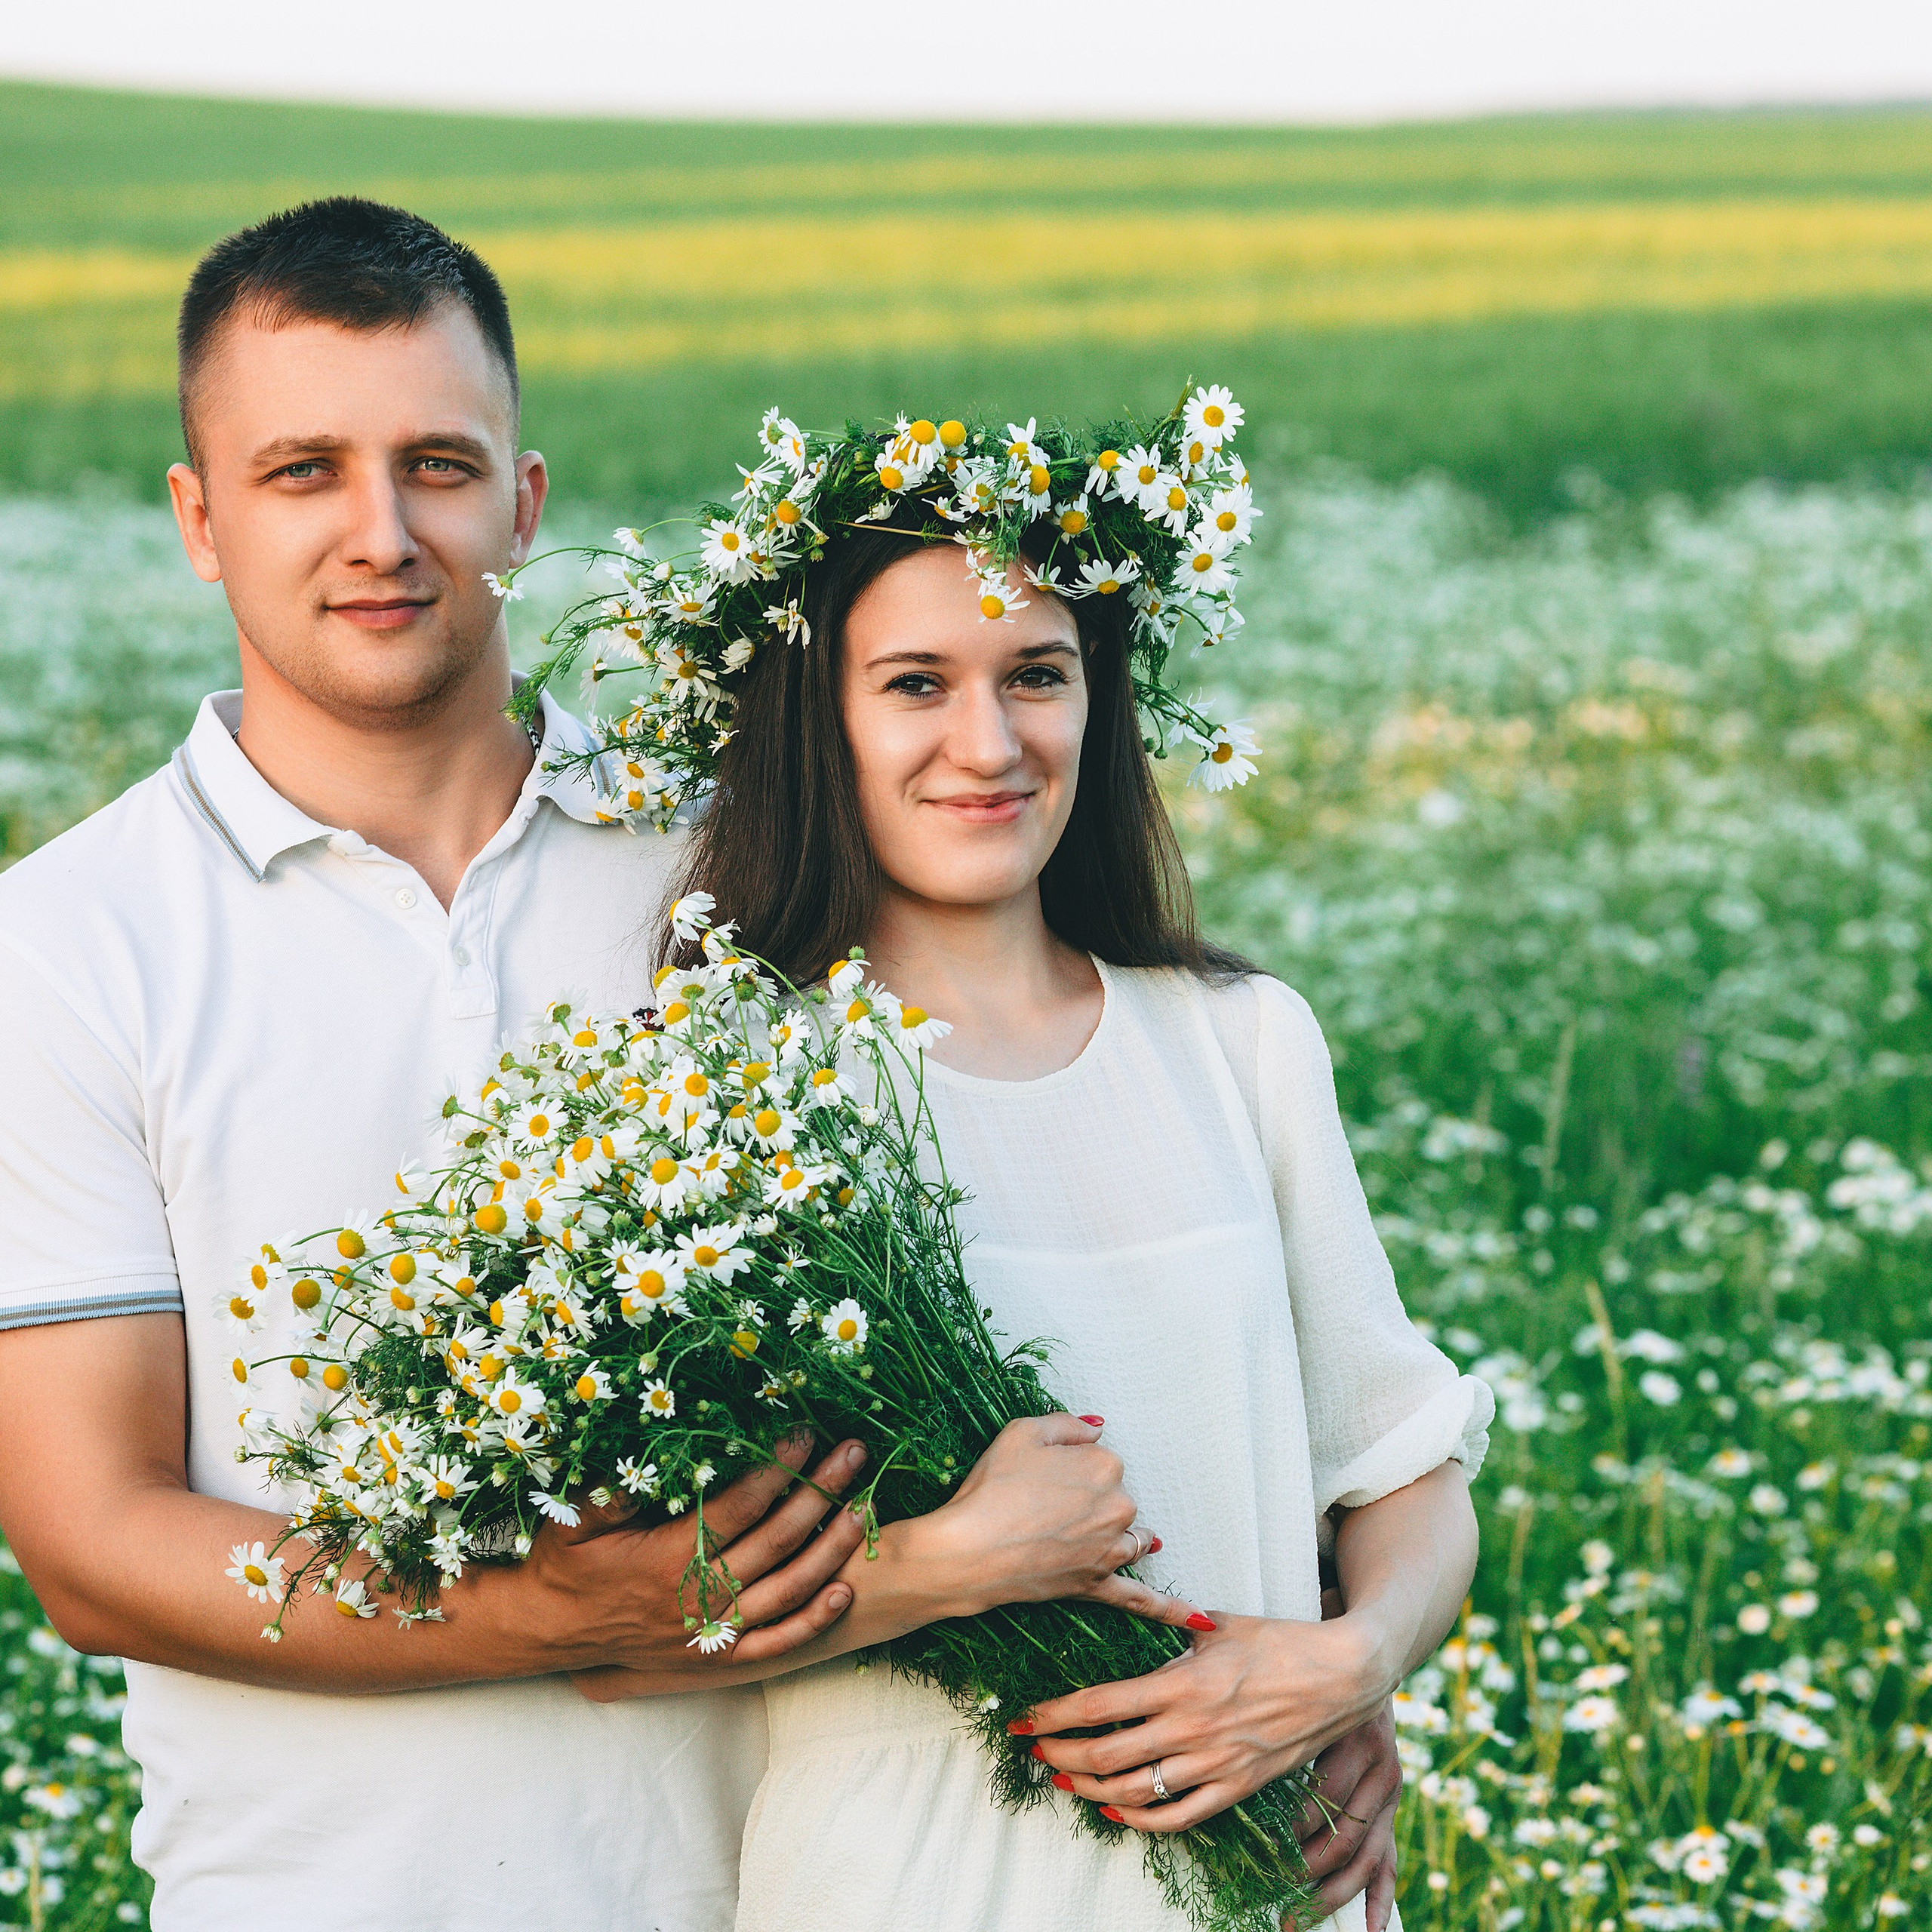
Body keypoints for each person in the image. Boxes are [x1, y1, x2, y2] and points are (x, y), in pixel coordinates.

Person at [0, 196, 889, 1931]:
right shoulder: (61, 942)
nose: (381, 532)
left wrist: (1311, 1676)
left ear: (526, 502)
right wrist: (557, 1610)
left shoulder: (748, 860)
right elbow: (92, 1539)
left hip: (798, 1882)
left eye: (437, 463)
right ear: (198, 518)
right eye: (301, 471)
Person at [566, 462, 1494, 1928]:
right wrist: (949, 1563)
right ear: (821, 721)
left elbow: (1400, 1467)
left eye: (1036, 673)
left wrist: (1348, 1658)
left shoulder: (1237, 1039)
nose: (986, 741)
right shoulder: (725, 1089)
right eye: (916, 682)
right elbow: (617, 1629)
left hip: (1257, 1881)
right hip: (912, 1879)